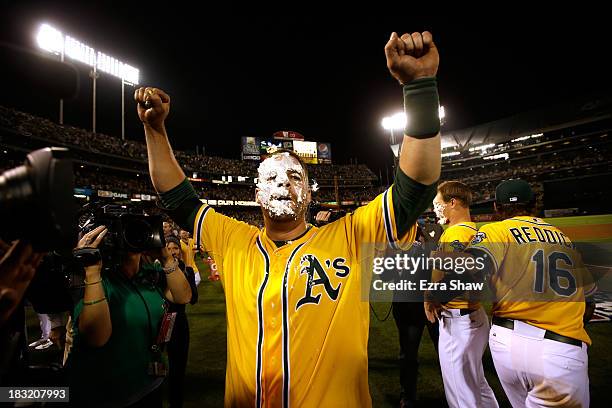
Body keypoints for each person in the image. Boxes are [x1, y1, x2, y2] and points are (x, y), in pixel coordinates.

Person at [135, 30, 442, 406]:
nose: (283, 182)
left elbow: (416, 187)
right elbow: (177, 198)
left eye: (295, 176)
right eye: (272, 176)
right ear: (256, 193)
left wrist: (420, 87)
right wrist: (154, 128)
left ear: (309, 195)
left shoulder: (351, 236)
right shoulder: (234, 239)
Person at [438, 179, 595, 407]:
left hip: (506, 344)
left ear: (496, 208)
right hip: (559, 347)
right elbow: (589, 302)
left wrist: (434, 295)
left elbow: (469, 271)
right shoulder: (563, 238)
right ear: (534, 205)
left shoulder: (495, 230)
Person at [66, 225, 192, 407]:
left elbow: (183, 296)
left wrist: (165, 257)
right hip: (108, 395)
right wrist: (92, 271)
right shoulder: (97, 279)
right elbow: (97, 338)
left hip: (148, 385)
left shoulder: (150, 274)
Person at [424, 181, 498, 408]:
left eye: (438, 204)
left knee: (460, 394)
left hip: (459, 320)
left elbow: (459, 274)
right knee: (475, 382)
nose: (435, 209)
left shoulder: (455, 233)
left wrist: (432, 296)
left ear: (452, 202)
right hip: (474, 316)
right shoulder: (477, 230)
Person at [164, 236, 199, 408]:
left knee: (178, 367)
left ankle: (175, 402)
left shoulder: (186, 269)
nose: (172, 252)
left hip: (178, 323)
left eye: (175, 248)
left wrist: (187, 275)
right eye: (169, 249)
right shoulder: (157, 269)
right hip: (160, 322)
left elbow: (193, 298)